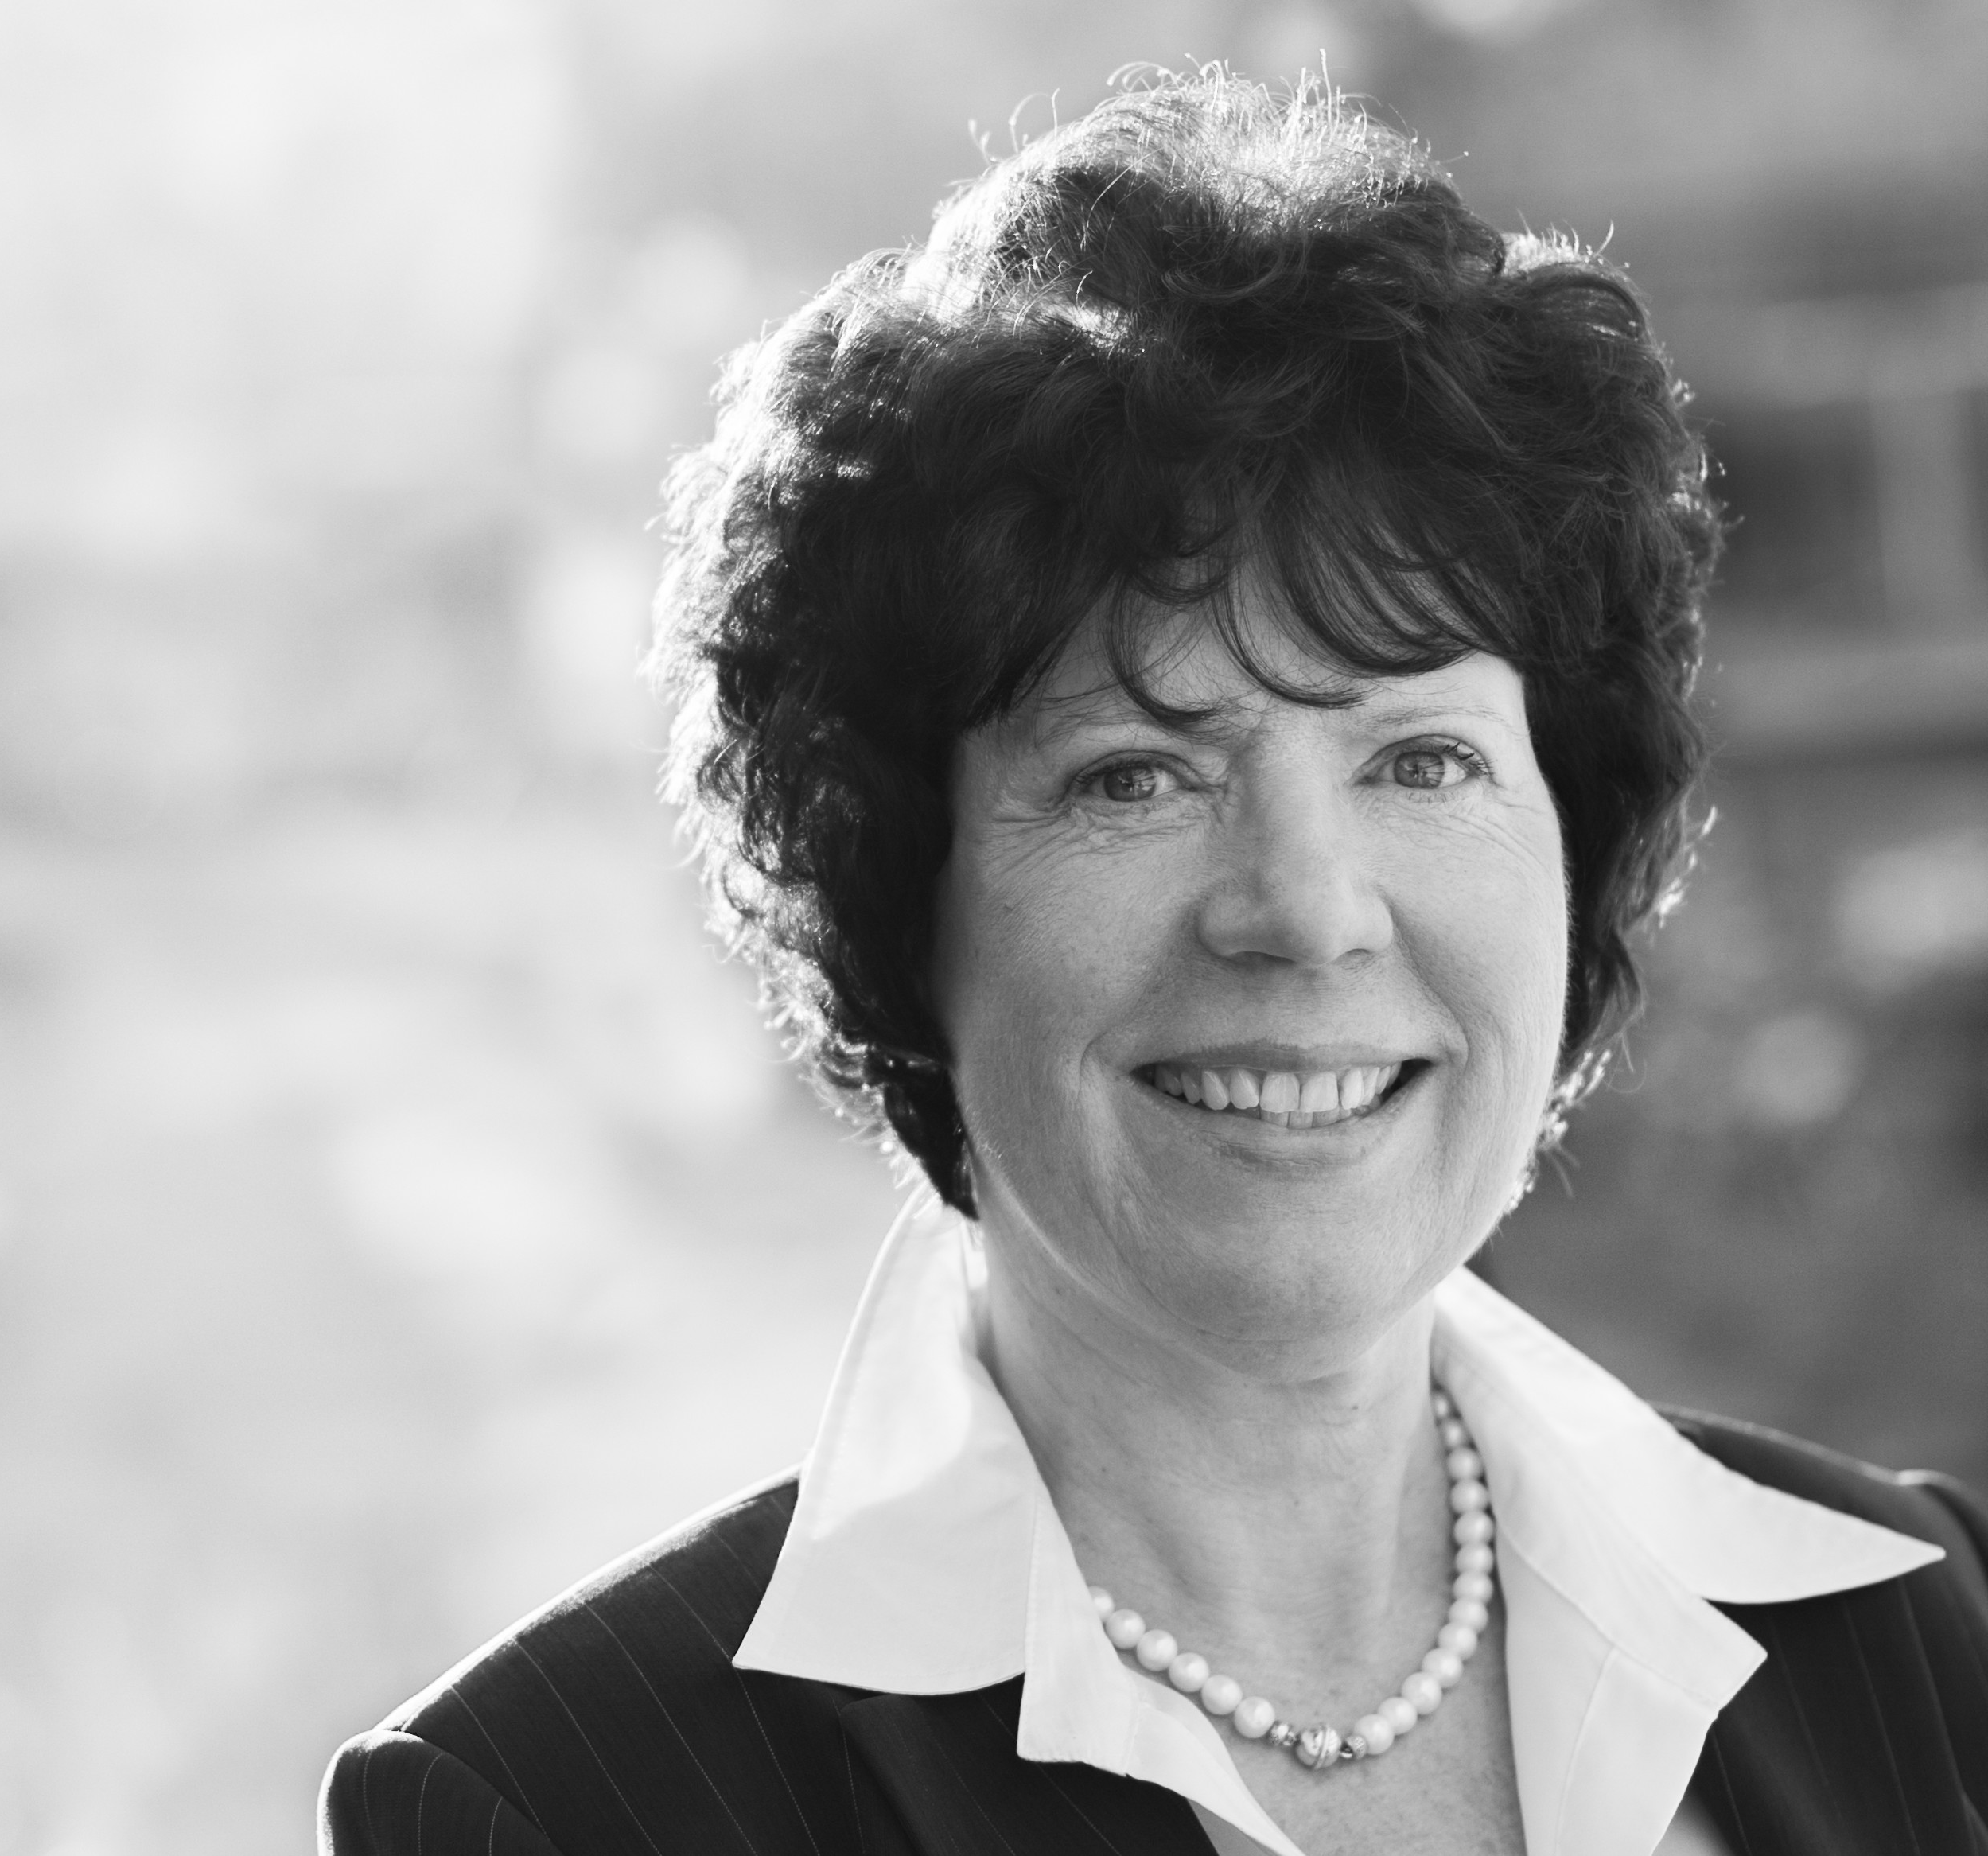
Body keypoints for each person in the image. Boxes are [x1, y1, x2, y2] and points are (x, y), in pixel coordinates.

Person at [318, 68, 1988, 1856]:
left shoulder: (1930, 1633)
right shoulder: (565, 1808)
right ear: (901, 901)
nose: (1310, 908)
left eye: (1422, 760)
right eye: (1135, 774)